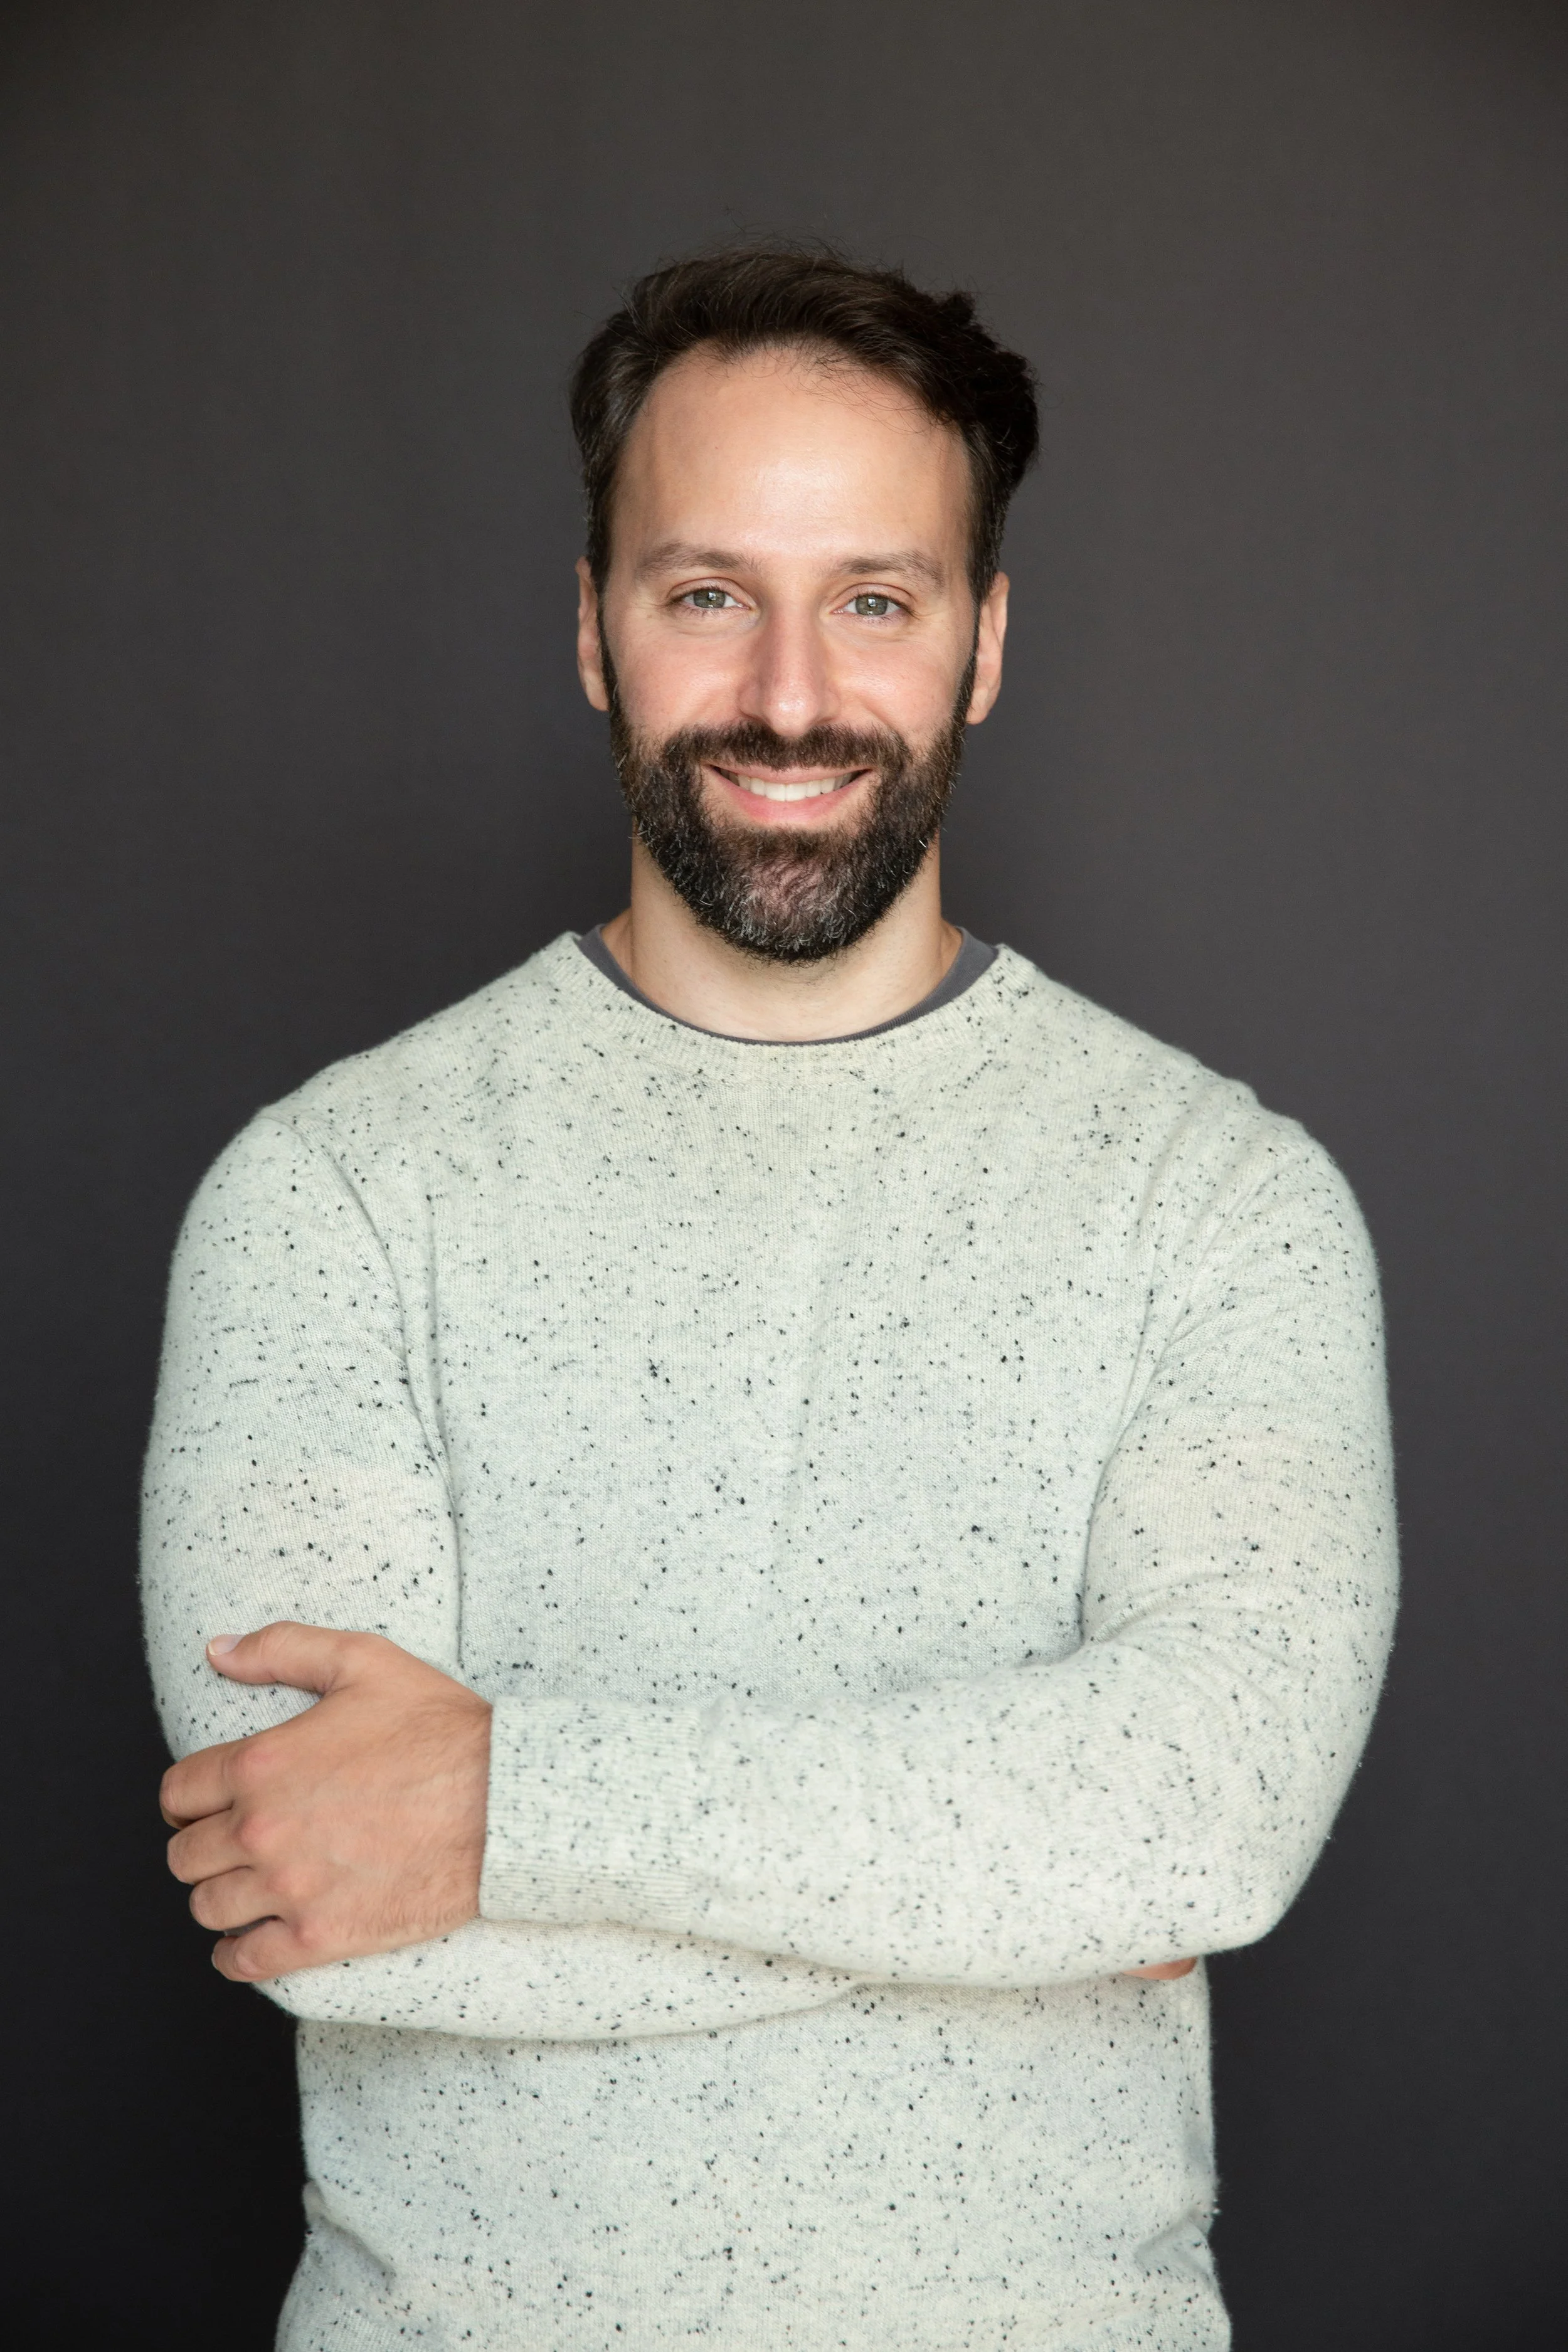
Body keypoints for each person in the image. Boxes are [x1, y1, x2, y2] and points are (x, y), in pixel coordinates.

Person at [144, 245, 1397, 2351]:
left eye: (876, 600)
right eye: (706, 590)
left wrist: (506, 1807)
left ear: (984, 644)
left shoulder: (1225, 1201)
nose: (793, 694)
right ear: (591, 626)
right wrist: (1039, 1886)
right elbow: (323, 1900)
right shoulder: (327, 1195)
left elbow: (1208, 1814)